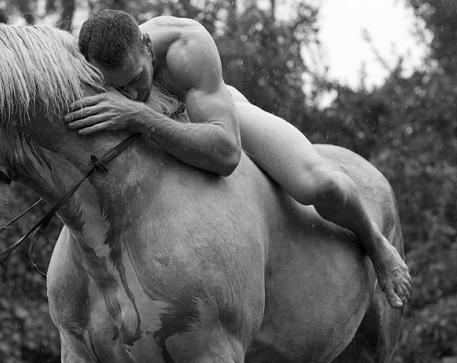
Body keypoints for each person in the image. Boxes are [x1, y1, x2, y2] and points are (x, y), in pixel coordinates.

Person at [64, 10, 411, 308]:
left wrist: (138, 116)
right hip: (151, 134)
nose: (132, 93)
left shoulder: (186, 46)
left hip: (214, 118)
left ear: (146, 46)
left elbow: (227, 153)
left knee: (318, 183)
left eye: (137, 79)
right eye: (120, 88)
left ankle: (376, 243)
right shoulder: (91, 64)